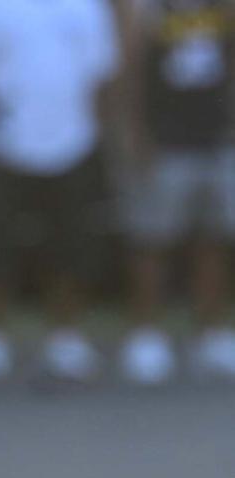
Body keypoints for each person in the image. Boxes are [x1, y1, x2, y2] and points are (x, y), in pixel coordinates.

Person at [0, 0, 120, 385]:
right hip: (1, 147)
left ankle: (65, 341)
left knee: (71, 247)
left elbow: (104, 73)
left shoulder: (88, 7)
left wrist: (95, 129)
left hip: (74, 145)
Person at [119, 0, 235, 384]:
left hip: (218, 140)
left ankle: (212, 332)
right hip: (166, 143)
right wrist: (137, 133)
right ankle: (147, 333)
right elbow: (131, 71)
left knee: (214, 240)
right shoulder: (149, 9)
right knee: (153, 241)